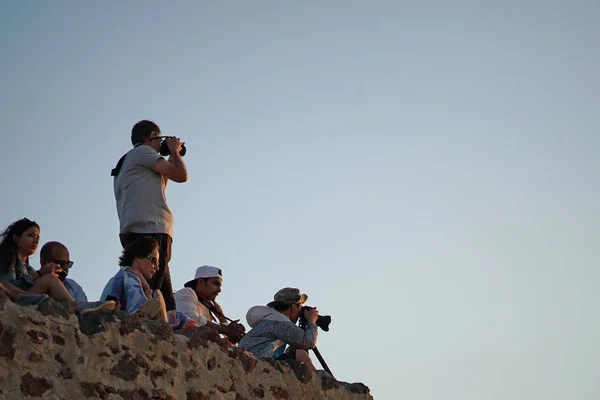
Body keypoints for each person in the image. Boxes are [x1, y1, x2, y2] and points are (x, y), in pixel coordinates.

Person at [112, 120, 187, 311]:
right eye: (159, 139)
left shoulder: (128, 161)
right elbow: (180, 175)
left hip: (136, 228)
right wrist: (175, 152)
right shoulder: (142, 152)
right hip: (151, 227)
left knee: (164, 299)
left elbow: (165, 180)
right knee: (150, 294)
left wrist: (171, 154)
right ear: (152, 136)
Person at [0, 218, 115, 314]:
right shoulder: (6, 259)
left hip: (26, 297)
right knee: (49, 279)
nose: (35, 241)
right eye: (30, 235)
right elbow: (6, 286)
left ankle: (78, 306)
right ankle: (74, 306)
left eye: (37, 237)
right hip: (9, 299)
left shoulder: (28, 268)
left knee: (50, 280)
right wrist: (39, 274)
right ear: (16, 238)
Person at [101, 236, 197, 331]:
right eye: (154, 261)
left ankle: (161, 319)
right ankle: (154, 318)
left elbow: (150, 307)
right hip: (129, 314)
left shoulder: (138, 282)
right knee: (177, 317)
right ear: (138, 257)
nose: (157, 267)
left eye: (158, 264)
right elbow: (113, 296)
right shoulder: (126, 275)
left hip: (141, 315)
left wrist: (147, 290)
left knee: (178, 316)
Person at [238, 287, 319, 369]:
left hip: (252, 358)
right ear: (294, 307)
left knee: (293, 351)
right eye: (300, 308)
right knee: (301, 354)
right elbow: (308, 342)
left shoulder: (271, 319)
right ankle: (317, 381)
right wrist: (312, 321)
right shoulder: (280, 322)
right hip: (258, 362)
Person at [174, 266, 245, 342]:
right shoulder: (187, 292)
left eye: (220, 286)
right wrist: (226, 330)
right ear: (201, 282)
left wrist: (223, 320)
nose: (219, 290)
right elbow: (190, 319)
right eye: (215, 284)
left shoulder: (208, 307)